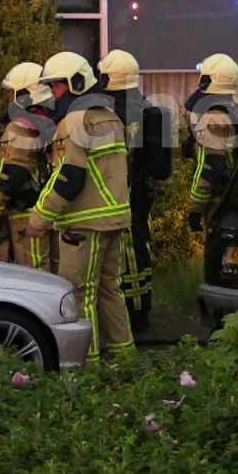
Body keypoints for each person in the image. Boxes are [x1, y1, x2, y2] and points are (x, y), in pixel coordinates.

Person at [24, 52, 134, 362]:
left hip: (84, 226)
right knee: (111, 290)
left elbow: (69, 177)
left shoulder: (73, 120)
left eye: (56, 86)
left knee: (80, 295)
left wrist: (39, 218)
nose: (53, 94)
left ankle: (88, 366)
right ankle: (126, 361)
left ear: (75, 83)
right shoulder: (110, 115)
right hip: (116, 219)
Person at [97, 49, 172, 333]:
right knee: (140, 250)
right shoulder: (147, 108)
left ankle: (132, 316)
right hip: (142, 195)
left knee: (125, 258)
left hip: (118, 194)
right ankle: (141, 310)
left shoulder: (108, 111)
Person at [0, 62, 56, 270]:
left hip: (23, 223)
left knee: (28, 285)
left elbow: (10, 178)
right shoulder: (49, 123)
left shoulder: (20, 127)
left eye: (11, 92)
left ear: (23, 93)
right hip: (43, 219)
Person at [185, 53, 238, 233]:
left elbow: (210, 167)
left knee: (215, 252)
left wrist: (195, 209)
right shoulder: (235, 108)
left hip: (219, 199)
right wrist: (193, 142)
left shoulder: (212, 118)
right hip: (236, 194)